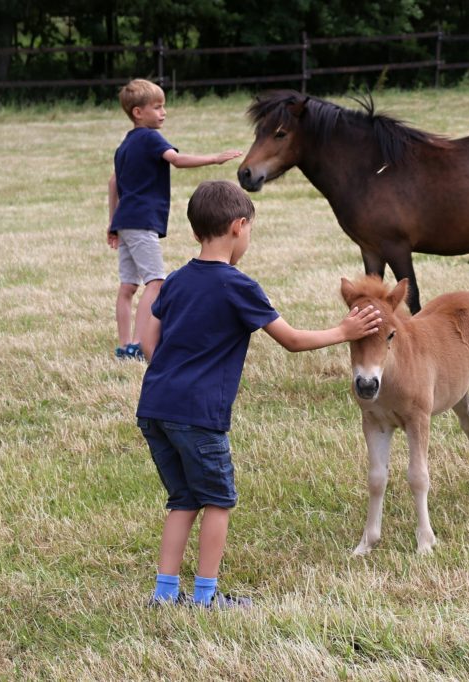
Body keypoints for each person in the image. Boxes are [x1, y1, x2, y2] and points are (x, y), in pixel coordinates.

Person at [137, 180, 382, 609]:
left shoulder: (176, 281)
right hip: (198, 415)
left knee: (182, 501)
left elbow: (148, 340)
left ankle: (163, 594)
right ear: (238, 226)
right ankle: (205, 598)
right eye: (250, 231)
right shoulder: (238, 285)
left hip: (156, 405)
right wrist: (343, 332)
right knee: (217, 501)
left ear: (196, 233)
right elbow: (290, 340)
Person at [107, 78, 242, 360]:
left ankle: (124, 345)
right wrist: (215, 159)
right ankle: (140, 346)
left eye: (163, 107)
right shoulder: (150, 138)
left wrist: (113, 224)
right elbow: (176, 160)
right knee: (155, 283)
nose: (163, 112)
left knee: (128, 286)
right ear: (138, 113)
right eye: (157, 107)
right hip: (142, 222)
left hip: (126, 222)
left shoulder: (125, 145)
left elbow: (113, 182)